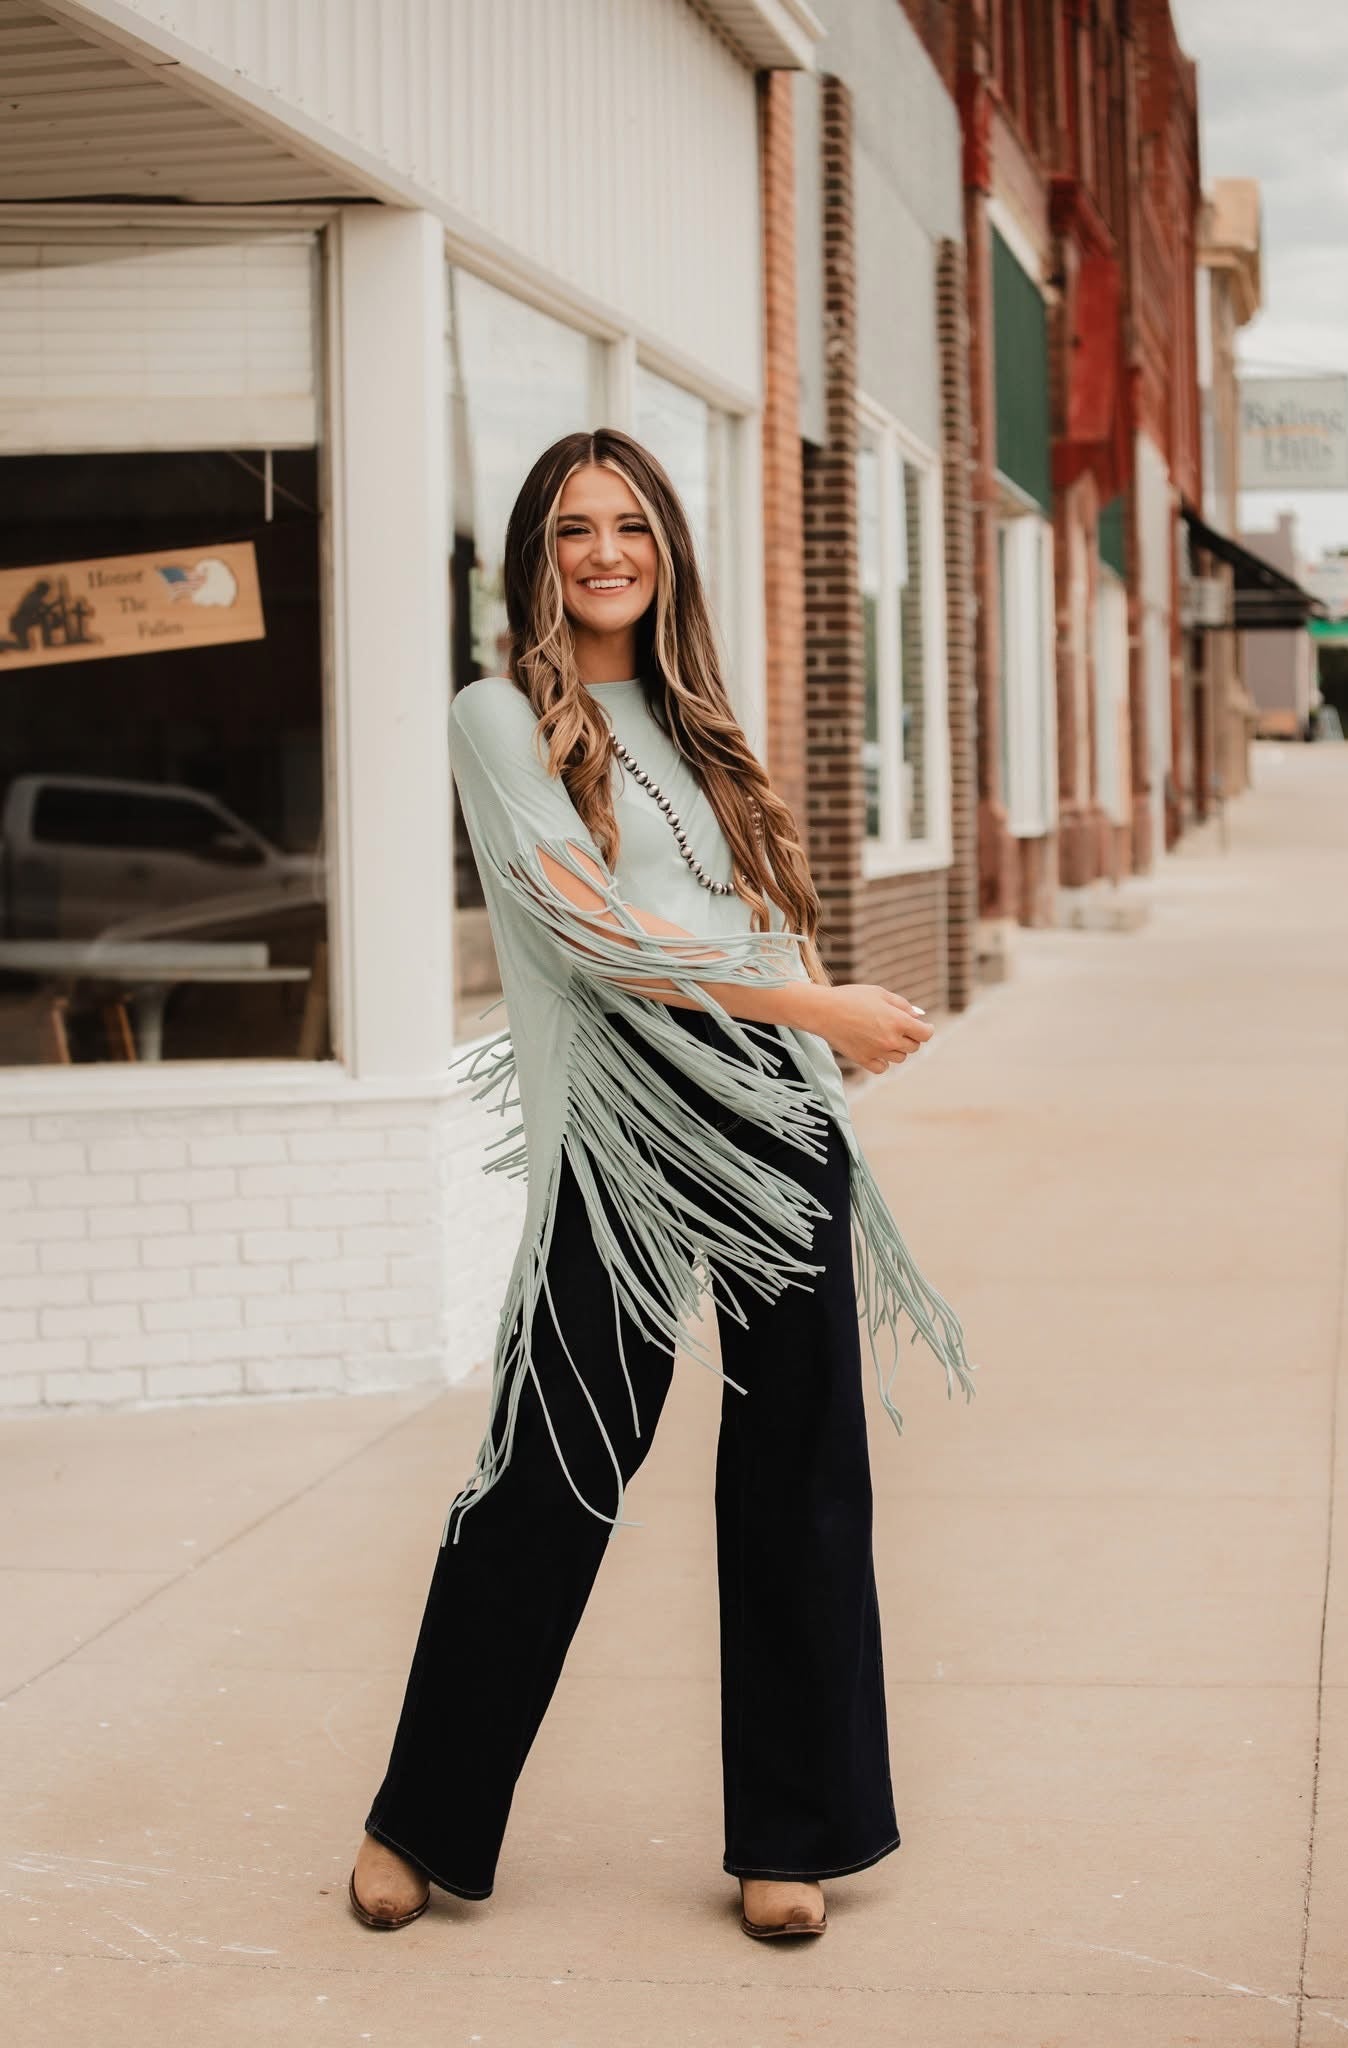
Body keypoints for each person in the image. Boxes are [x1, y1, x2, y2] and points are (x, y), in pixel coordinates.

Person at [349, 428, 974, 1942]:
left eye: (629, 525)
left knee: (800, 1473)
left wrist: (816, 1041)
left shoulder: (700, 722)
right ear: (537, 556)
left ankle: (792, 1839)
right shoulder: (499, 717)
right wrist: (820, 1007)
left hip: (768, 1099)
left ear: (667, 549)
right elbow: (598, 940)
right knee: (551, 1463)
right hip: (623, 1121)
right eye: (574, 529)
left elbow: (755, 913)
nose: (605, 552)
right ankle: (420, 1817)